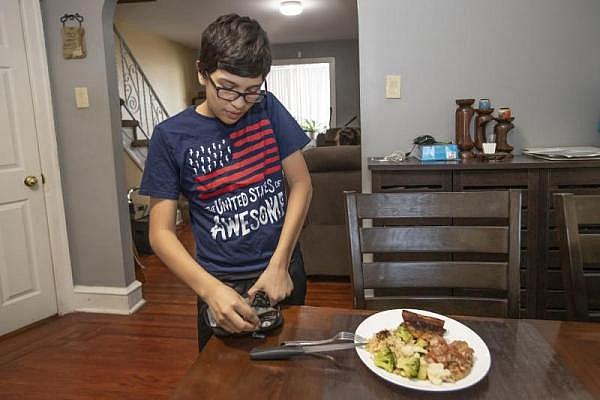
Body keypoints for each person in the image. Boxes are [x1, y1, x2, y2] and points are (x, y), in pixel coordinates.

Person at [139, 14, 312, 350]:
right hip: (219, 281)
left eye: (250, 92)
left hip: (282, 268)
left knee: (289, 372)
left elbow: (302, 185)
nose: (237, 103)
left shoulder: (268, 109)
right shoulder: (170, 136)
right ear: (202, 71)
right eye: (227, 88)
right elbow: (160, 233)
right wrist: (210, 290)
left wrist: (280, 263)